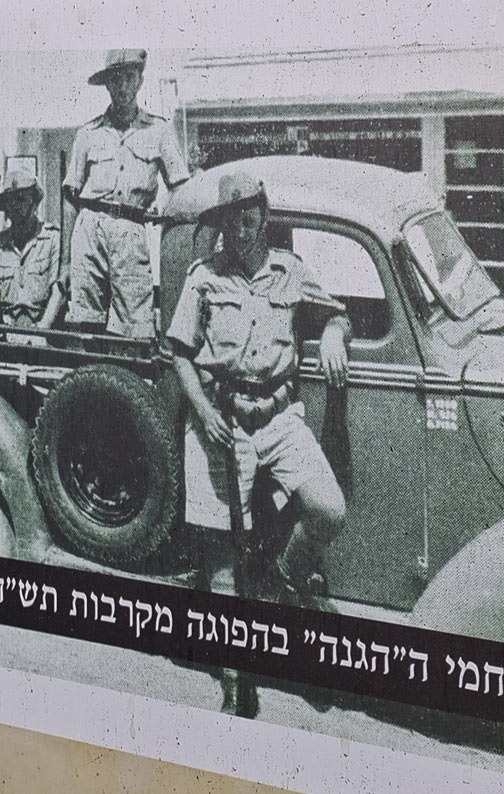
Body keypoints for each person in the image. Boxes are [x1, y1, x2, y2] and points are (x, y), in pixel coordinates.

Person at [166, 170, 351, 715]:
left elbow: (335, 311)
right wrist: (202, 413)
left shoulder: (290, 272)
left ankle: (279, 584)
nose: (239, 231)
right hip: (219, 421)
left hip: (279, 418)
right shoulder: (204, 278)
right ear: (221, 225)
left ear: (264, 217)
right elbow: (179, 350)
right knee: (221, 562)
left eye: (248, 218)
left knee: (329, 509)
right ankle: (233, 682)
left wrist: (335, 333)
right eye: (230, 221)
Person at [62, 48, 190, 338]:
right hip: (89, 229)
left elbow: (181, 189)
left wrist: (165, 213)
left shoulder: (159, 131)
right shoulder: (88, 133)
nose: (121, 86)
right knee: (85, 322)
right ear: (107, 84)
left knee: (135, 327)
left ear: (140, 81)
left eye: (128, 78)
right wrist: (66, 262)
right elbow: (71, 198)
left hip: (131, 231)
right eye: (115, 79)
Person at [0, 167, 66, 330]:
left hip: (41, 329)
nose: (14, 206)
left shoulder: (52, 240)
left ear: (34, 202)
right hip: (6, 327)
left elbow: (58, 292)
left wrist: (42, 327)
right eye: (9, 200)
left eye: (20, 199)